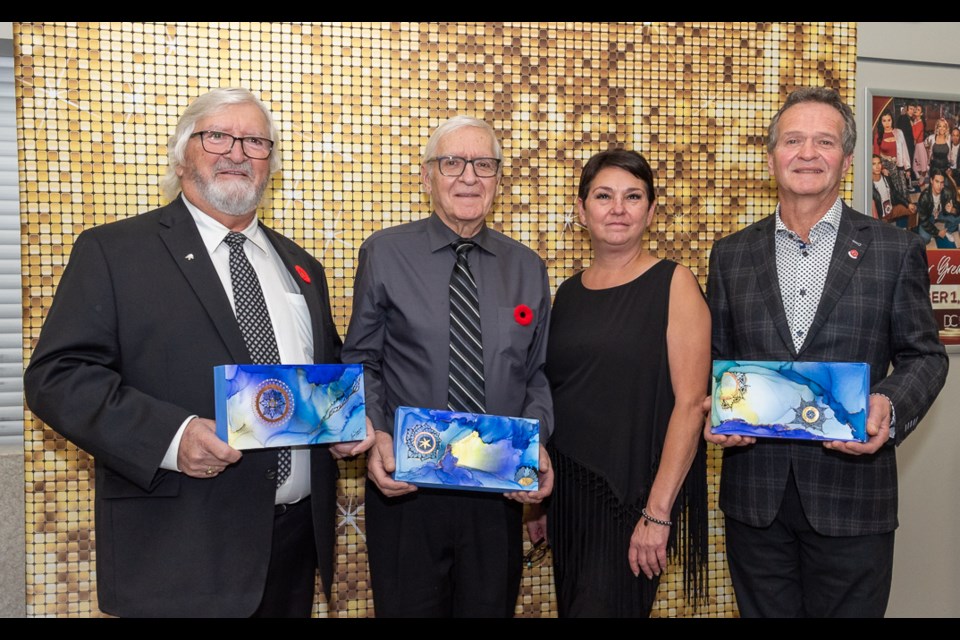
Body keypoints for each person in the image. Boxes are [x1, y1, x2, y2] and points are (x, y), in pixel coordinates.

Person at [23, 87, 373, 617]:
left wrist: (348, 421)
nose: (238, 152)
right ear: (183, 151)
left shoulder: (302, 267)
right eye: (218, 136)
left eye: (256, 141)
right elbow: (57, 376)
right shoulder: (115, 252)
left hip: (294, 549)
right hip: (179, 555)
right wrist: (172, 434)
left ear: (270, 163)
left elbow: (325, 374)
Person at [705, 87, 948, 618]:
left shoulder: (894, 249)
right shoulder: (730, 255)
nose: (807, 153)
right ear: (771, 156)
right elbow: (716, 361)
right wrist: (715, 406)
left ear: (845, 157)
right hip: (756, 500)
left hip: (854, 499)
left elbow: (925, 357)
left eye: (824, 141)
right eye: (792, 140)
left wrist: (888, 403)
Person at [340, 115, 554, 617]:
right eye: (452, 162)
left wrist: (537, 440)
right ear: (427, 175)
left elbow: (536, 372)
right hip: (408, 491)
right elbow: (362, 360)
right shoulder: (385, 253)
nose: (468, 177)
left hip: (497, 489)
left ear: (499, 178)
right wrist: (377, 434)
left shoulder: (527, 267)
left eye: (484, 164)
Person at [537, 149, 708, 617]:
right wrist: (539, 504)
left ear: (651, 211)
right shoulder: (568, 293)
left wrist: (657, 513)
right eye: (604, 196)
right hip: (569, 497)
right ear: (581, 209)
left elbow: (692, 405)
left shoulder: (675, 284)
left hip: (630, 501)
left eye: (633, 197)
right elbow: (558, 395)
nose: (618, 209)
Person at [915, 167, 960, 248]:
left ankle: (948, 231)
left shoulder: (947, 192)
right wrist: (937, 232)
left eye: (942, 182)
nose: (939, 185)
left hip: (941, 213)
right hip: (929, 216)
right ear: (931, 181)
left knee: (958, 217)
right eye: (937, 181)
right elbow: (923, 220)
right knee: (925, 239)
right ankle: (933, 231)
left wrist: (952, 210)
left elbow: (958, 209)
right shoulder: (924, 197)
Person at [870, 153, 916, 228]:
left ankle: (911, 232)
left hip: (892, 209)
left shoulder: (886, 178)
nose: (877, 166)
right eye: (874, 164)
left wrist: (908, 203)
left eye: (879, 163)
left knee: (913, 209)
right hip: (882, 216)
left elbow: (895, 193)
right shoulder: (869, 185)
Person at [872, 110, 911, 197]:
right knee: (890, 194)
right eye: (884, 121)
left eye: (889, 120)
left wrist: (907, 168)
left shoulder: (899, 132)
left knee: (903, 192)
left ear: (892, 120)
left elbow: (904, 151)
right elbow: (876, 154)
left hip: (899, 167)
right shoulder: (878, 136)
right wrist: (882, 168)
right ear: (881, 122)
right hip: (886, 168)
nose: (887, 123)